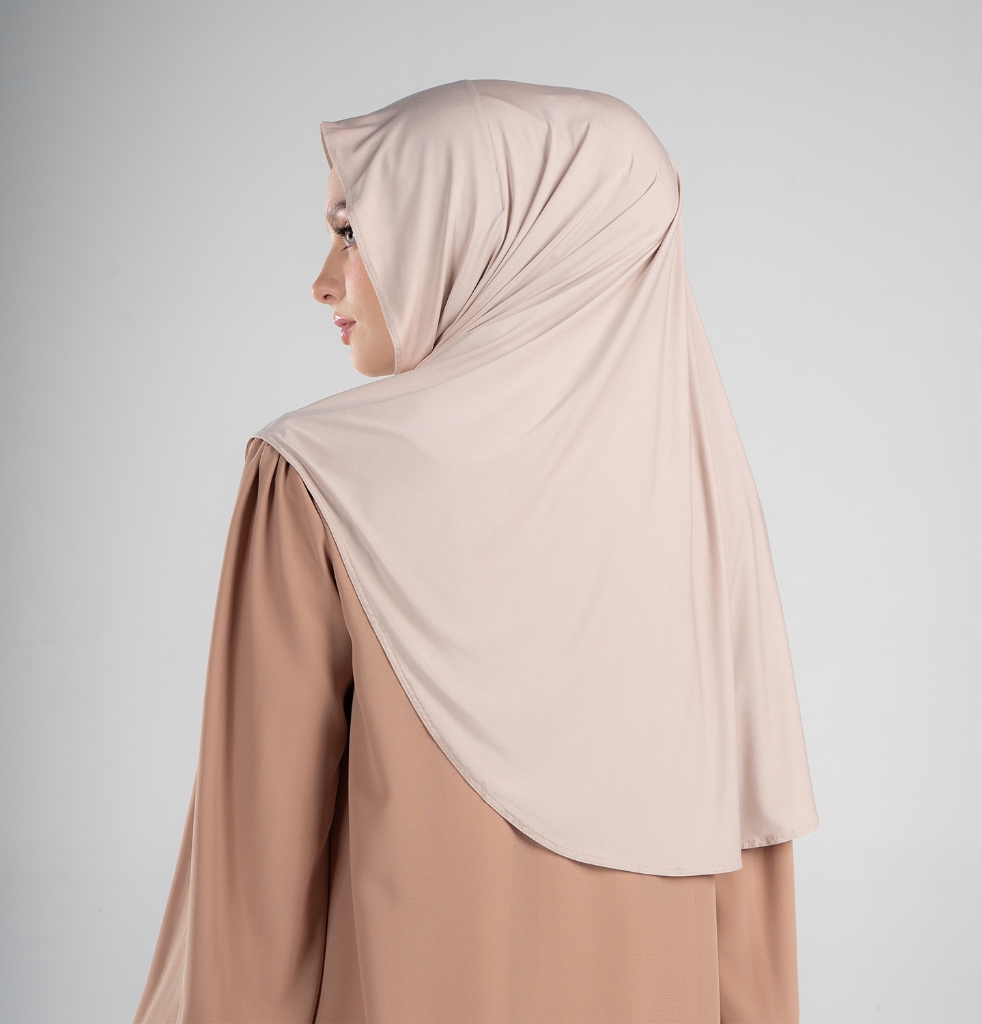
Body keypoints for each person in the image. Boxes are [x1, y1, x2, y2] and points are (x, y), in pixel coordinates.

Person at [135, 80, 817, 1023]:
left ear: (483, 234)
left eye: (352, 232)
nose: (324, 282)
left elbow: (250, 899)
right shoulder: (699, 510)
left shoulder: (316, 481)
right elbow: (749, 905)